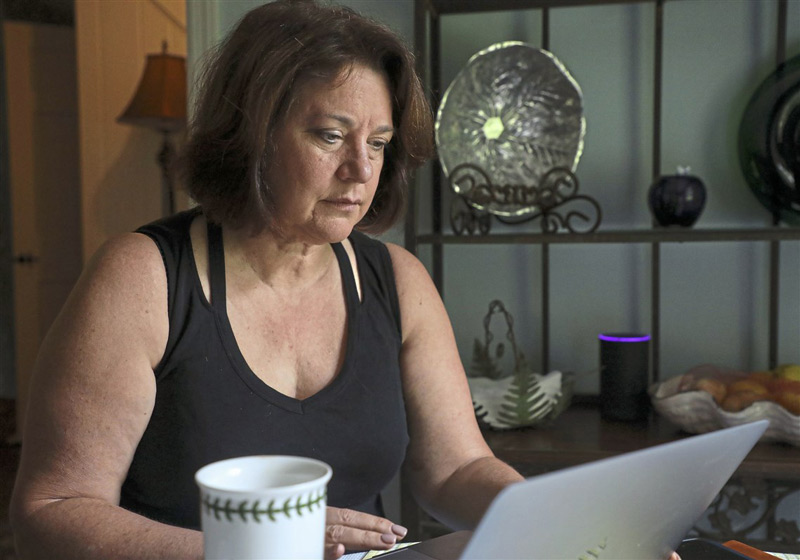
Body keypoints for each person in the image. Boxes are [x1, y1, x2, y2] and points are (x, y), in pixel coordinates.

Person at [10, 2, 683, 560]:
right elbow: (50, 513)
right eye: (331, 136)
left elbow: (454, 470)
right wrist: (261, 547)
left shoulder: (397, 280)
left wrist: (561, 523)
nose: (362, 170)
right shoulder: (142, 278)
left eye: (380, 143)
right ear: (253, 135)